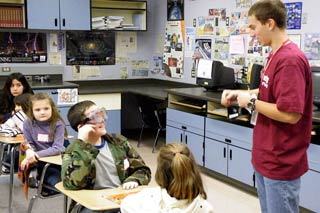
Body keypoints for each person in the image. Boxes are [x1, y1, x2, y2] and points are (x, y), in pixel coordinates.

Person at [221, 1, 313, 213]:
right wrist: (242, 95)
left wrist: (251, 102)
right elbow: (268, 91)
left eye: (253, 27)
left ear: (270, 23)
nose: (251, 33)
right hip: (266, 156)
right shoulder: (275, 54)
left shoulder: (290, 60)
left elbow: (290, 114)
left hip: (281, 160)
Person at [61, 100, 151, 212]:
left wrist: (134, 180)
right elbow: (72, 184)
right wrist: (84, 145)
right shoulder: (73, 150)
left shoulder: (118, 142)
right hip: (91, 204)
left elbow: (143, 170)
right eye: (95, 117)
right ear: (81, 127)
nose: (102, 120)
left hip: (120, 199)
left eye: (101, 114)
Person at [121, 143, 213, 213]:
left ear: (160, 174)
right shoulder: (206, 208)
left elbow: (125, 205)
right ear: (193, 170)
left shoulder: (148, 200)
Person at [20, 93, 66, 195]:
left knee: (58, 184)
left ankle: (40, 178)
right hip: (36, 161)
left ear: (52, 108)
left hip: (54, 162)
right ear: (32, 111)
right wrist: (29, 151)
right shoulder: (28, 123)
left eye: (46, 108)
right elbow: (28, 142)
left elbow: (57, 148)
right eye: (37, 110)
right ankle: (36, 175)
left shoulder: (58, 123)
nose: (42, 112)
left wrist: (36, 155)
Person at [1, 93, 32, 174]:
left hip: (31, 146)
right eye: (15, 106)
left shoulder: (33, 116)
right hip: (22, 145)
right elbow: (5, 126)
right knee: (16, 150)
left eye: (19, 105)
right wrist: (15, 131)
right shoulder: (17, 116)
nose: (16, 108)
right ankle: (8, 166)